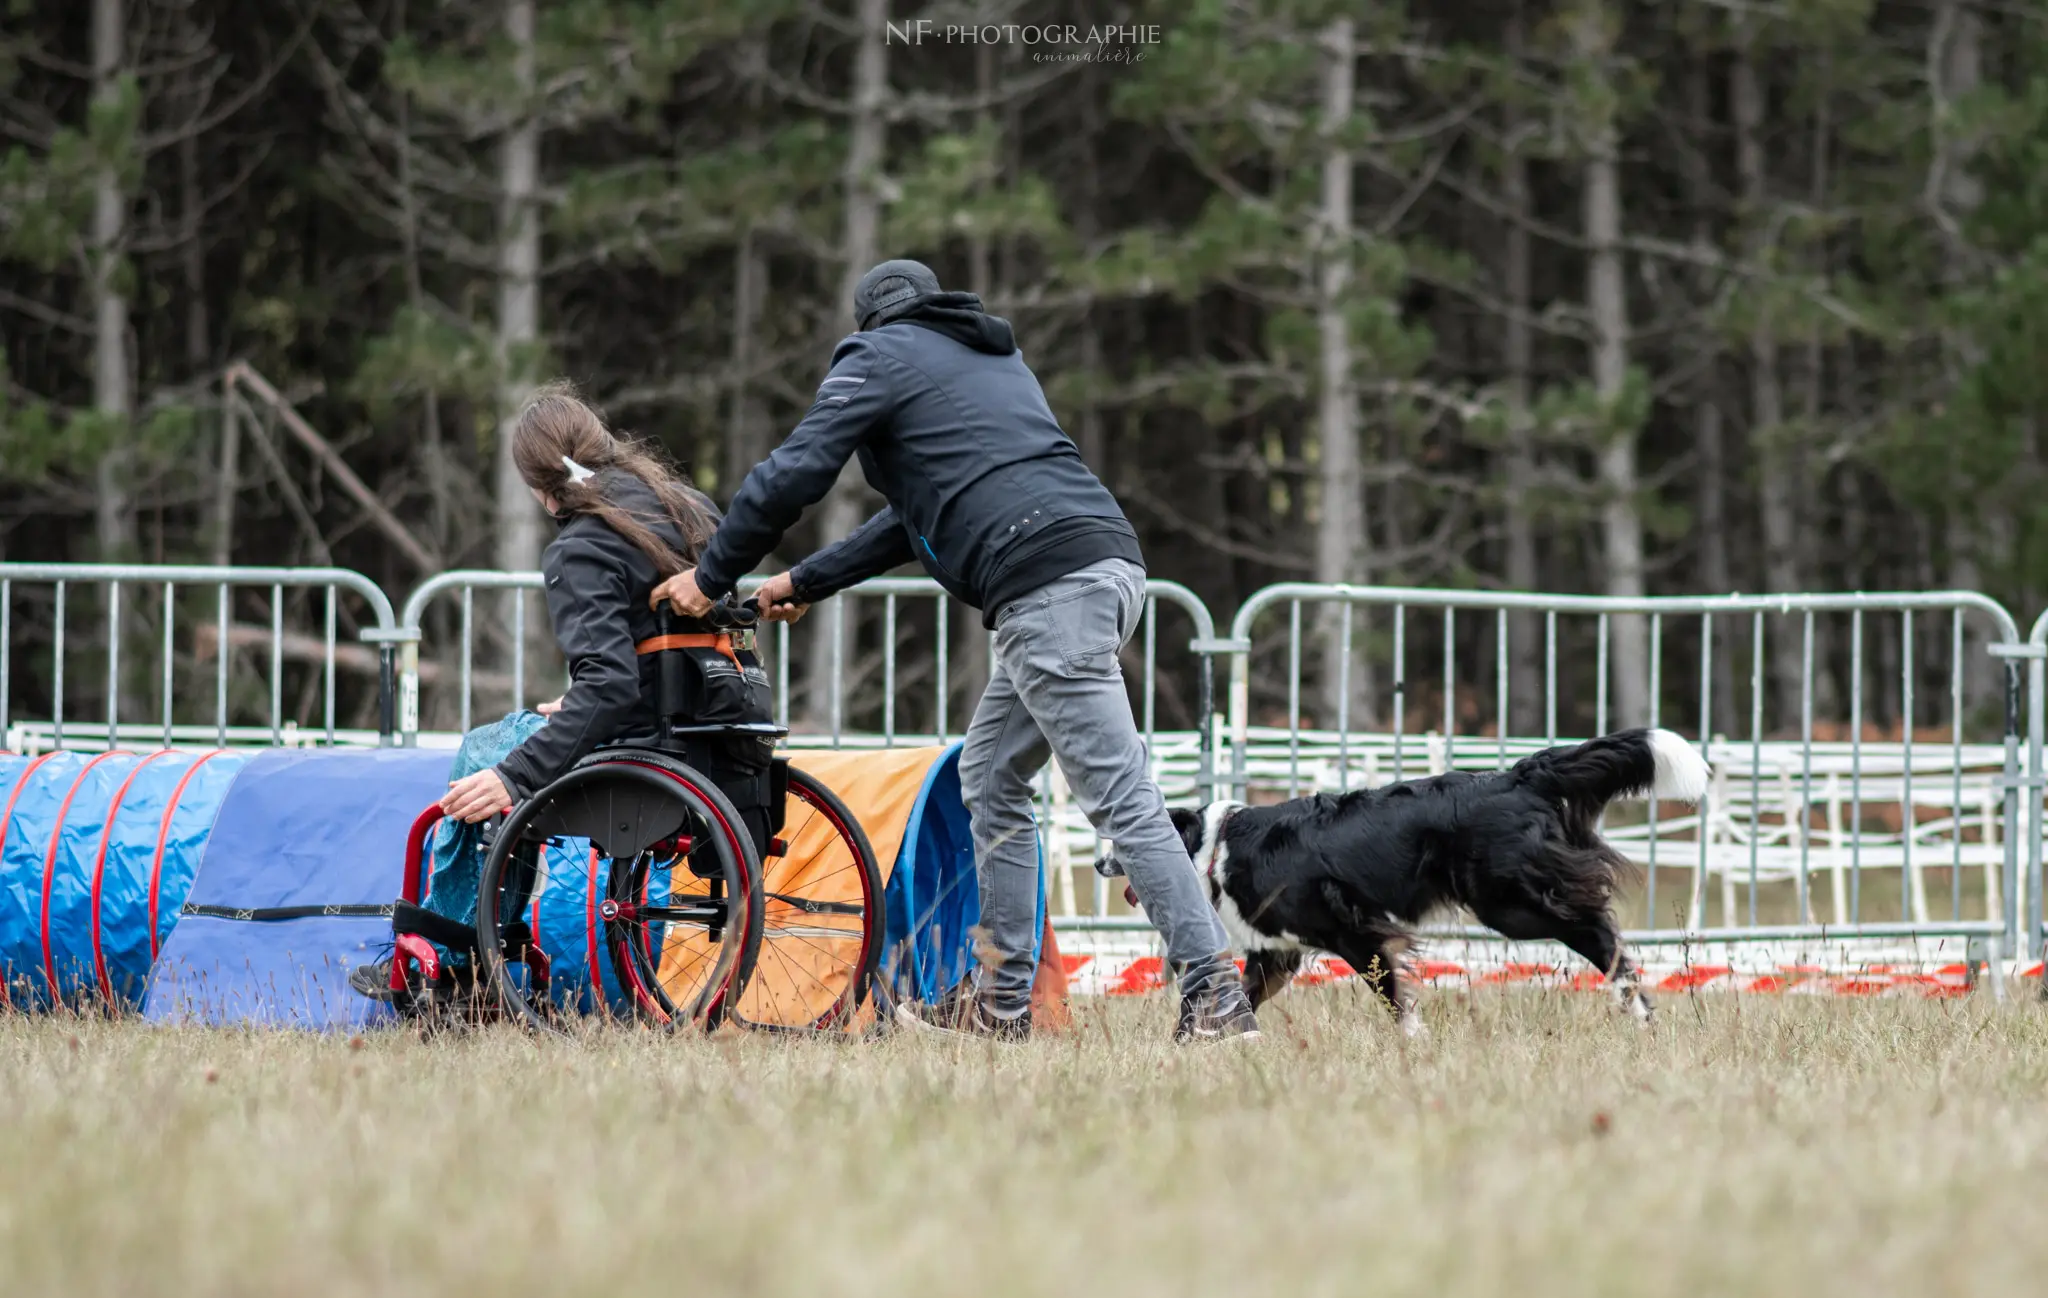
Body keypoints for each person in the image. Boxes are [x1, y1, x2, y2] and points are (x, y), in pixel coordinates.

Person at [650, 259, 1260, 1043]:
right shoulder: (988, 359)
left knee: (1118, 798)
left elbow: (794, 472)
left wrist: (712, 575)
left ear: (869, 322)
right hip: (1105, 566)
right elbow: (914, 518)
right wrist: (805, 579)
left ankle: (1213, 992)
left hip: (1046, 589)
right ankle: (1001, 1007)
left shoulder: (878, 355)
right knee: (991, 779)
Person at [350, 384, 790, 1002]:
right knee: (520, 744)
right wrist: (590, 699)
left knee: (484, 751)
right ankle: (484, 940)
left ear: (539, 485)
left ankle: (457, 962)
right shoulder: (686, 505)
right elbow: (657, 644)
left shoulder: (581, 545)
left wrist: (514, 775)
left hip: (649, 738)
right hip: (717, 718)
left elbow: (609, 682)